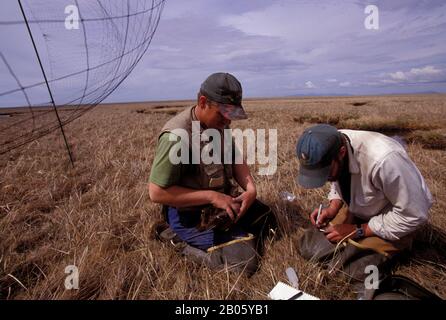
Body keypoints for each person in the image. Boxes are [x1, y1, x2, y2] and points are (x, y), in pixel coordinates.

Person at [148, 72, 277, 275]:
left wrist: (251, 189)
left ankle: (237, 235)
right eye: (222, 114)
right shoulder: (176, 136)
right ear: (202, 102)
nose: (227, 122)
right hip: (189, 214)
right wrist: (211, 196)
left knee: (268, 220)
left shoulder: (218, 124)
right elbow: (157, 193)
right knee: (244, 264)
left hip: (221, 202)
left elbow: (235, 158)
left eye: (231, 115)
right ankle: (174, 238)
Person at [295, 124, 433, 296]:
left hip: (394, 219)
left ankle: (396, 248)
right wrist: (332, 208)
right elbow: (338, 179)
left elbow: (414, 213)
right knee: (309, 247)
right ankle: (351, 251)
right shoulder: (334, 143)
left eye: (325, 172)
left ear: (342, 153)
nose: (324, 178)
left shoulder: (385, 160)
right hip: (361, 206)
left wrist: (357, 231)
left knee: (348, 273)